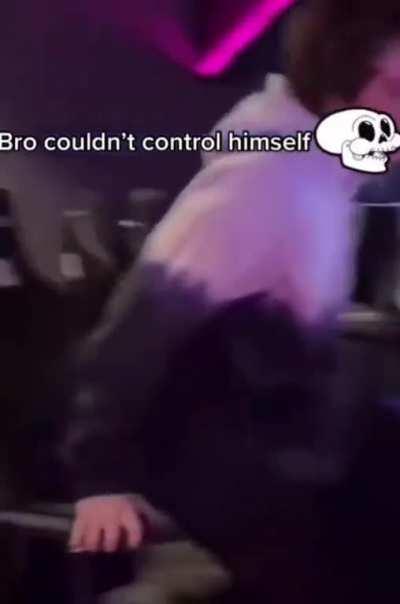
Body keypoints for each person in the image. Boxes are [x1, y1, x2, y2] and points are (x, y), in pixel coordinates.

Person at [65, 1, 400, 601]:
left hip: (291, 456)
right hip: (236, 478)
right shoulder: (263, 181)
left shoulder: (322, 175)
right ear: (336, 85)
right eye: (395, 91)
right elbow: (131, 335)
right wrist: (100, 479)